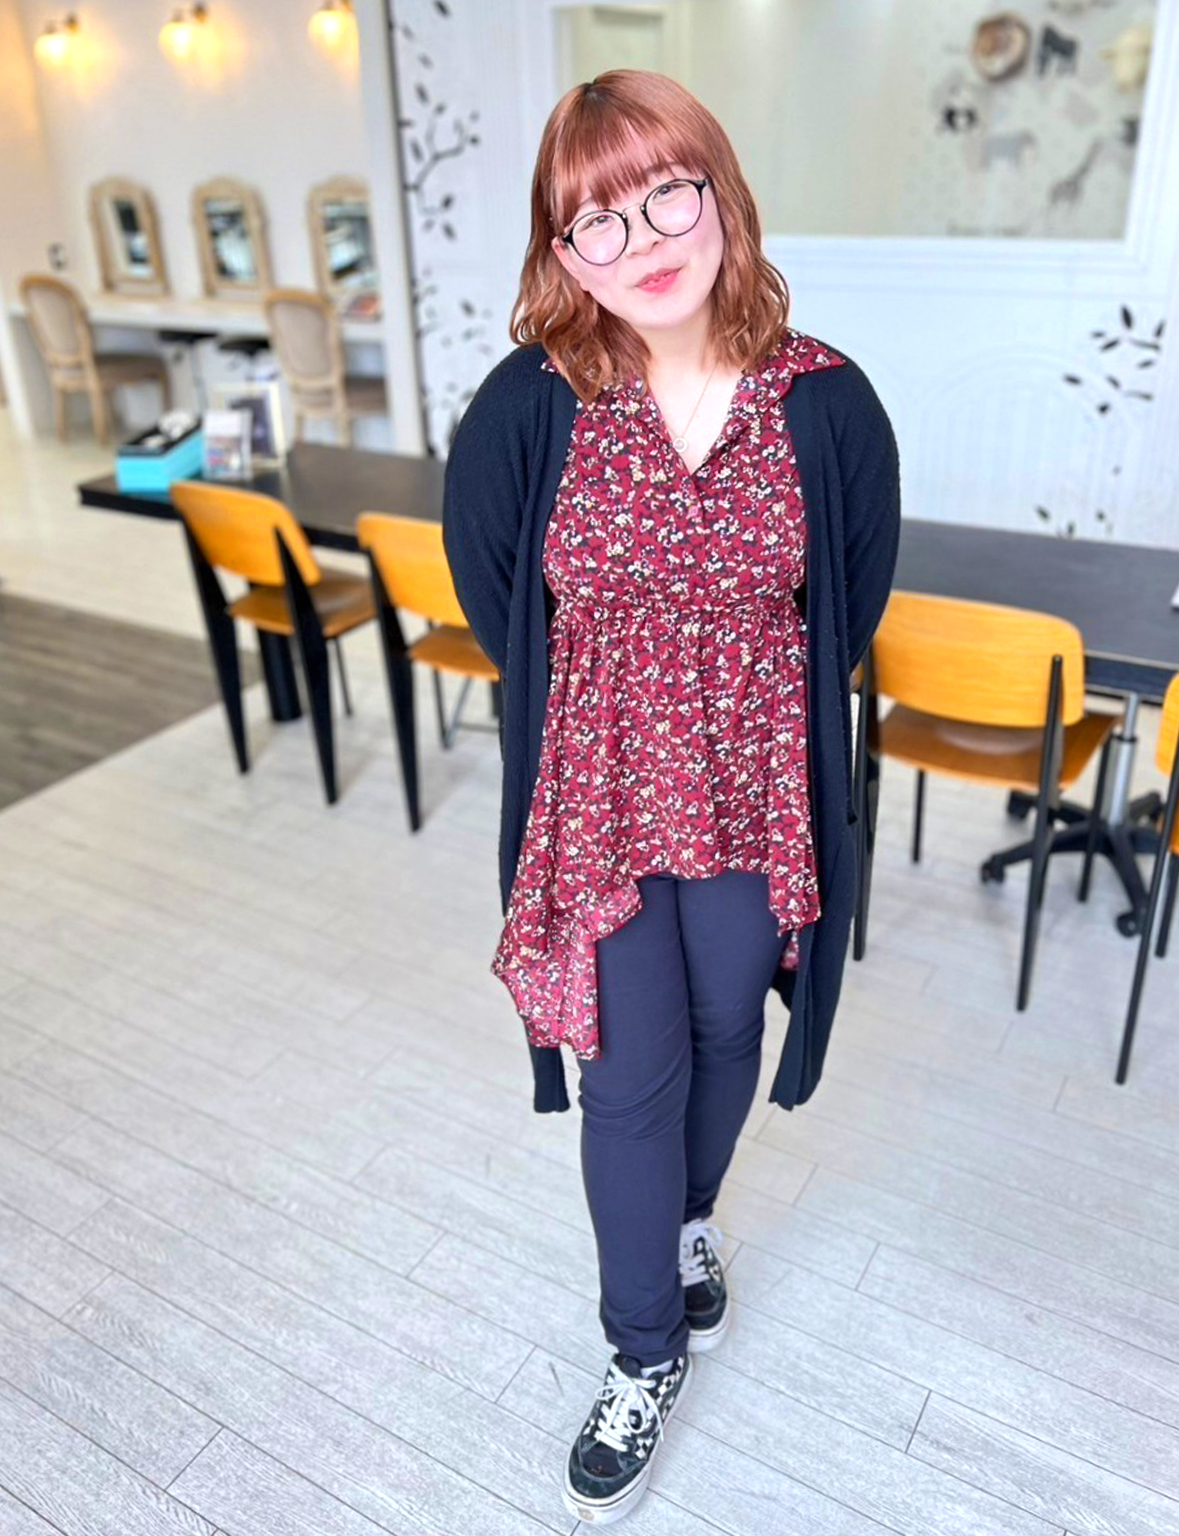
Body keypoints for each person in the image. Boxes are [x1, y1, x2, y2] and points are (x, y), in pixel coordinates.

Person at [443, 69, 901, 1526]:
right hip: (604, 793)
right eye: (596, 220)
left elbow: (852, 597)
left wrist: (731, 682)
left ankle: (692, 1223)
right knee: (627, 1075)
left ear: (720, 194)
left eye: (664, 194)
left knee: (727, 1035)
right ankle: (642, 1346)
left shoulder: (825, 398)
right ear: (560, 254)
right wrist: (624, 690)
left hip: (756, 785)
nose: (640, 240)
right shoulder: (532, 405)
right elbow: (499, 596)